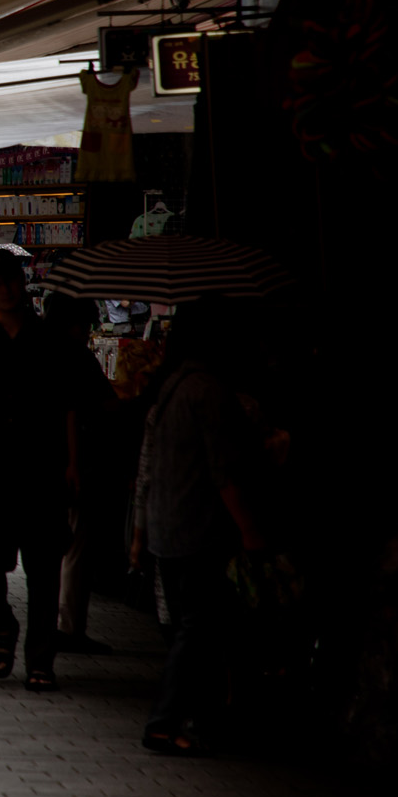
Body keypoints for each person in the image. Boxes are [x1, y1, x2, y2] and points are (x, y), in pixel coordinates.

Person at [0, 249, 86, 692]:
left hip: (42, 467)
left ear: (22, 284)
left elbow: (67, 407)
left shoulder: (50, 341)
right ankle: (0, 625)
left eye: (11, 280)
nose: (6, 288)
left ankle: (41, 659)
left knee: (44, 568)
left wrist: (73, 462)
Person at [135, 299, 264, 756]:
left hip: (169, 527)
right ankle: (165, 720)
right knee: (197, 627)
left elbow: (149, 468)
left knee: (193, 626)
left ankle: (200, 716)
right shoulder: (206, 390)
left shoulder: (171, 386)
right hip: (196, 528)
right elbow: (223, 470)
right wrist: (249, 528)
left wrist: (139, 532)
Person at [44, 293, 116, 656]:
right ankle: (69, 625)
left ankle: (55, 621)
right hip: (73, 460)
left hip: (41, 461)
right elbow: (100, 406)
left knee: (51, 546)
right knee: (74, 545)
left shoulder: (37, 352)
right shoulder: (78, 358)